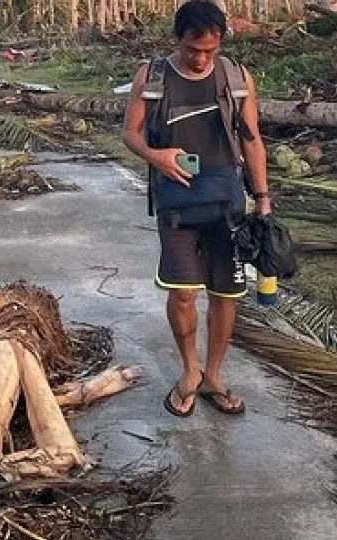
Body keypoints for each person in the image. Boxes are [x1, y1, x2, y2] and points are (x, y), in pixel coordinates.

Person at [121, 0, 271, 417]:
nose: (201, 58)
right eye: (193, 49)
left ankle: (214, 376)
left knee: (226, 295)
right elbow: (129, 134)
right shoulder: (152, 77)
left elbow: (252, 140)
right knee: (183, 293)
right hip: (177, 206)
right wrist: (157, 157)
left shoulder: (237, 79)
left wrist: (262, 198)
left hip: (227, 206)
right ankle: (189, 370)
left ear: (220, 42)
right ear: (178, 39)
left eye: (210, 50)